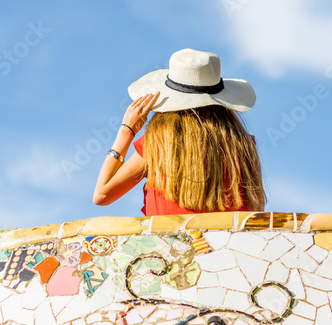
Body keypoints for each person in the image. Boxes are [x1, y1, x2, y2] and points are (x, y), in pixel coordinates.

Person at [93, 48, 265, 214]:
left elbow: (102, 195)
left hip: (170, 243)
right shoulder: (244, 145)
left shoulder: (158, 144)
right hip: (228, 243)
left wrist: (127, 130)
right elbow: (255, 209)